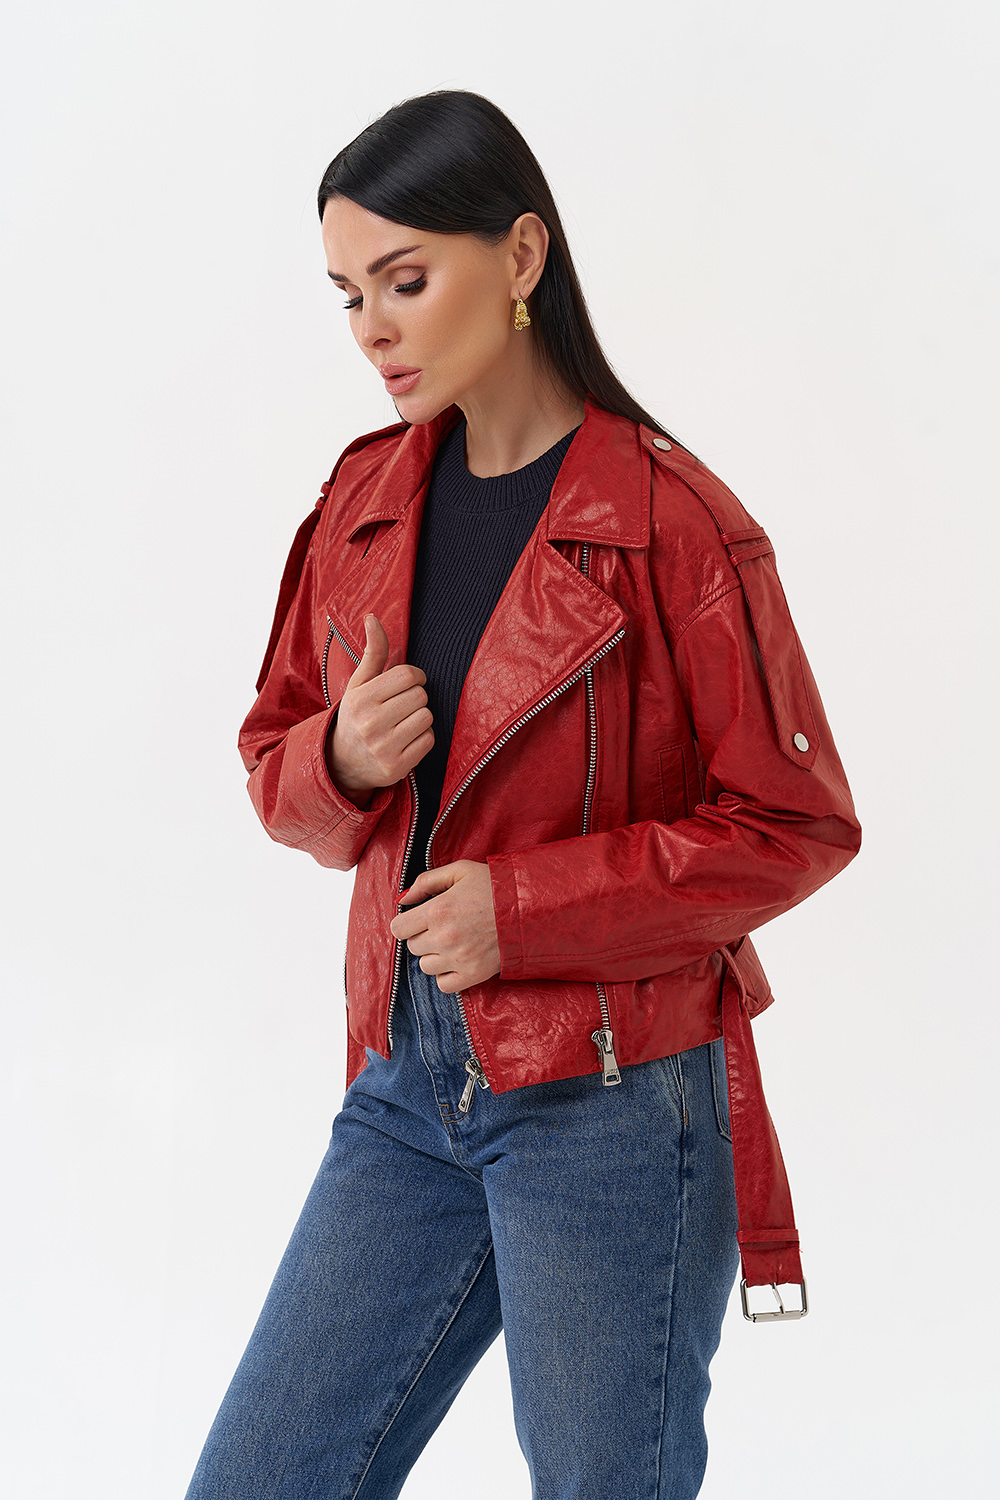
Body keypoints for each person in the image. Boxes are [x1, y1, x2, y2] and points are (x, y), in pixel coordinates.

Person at [184, 89, 862, 1500]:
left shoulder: (674, 525)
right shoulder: (364, 502)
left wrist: (529, 910)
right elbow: (272, 767)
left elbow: (796, 824)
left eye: (405, 280)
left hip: (613, 1101)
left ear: (522, 256)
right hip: (404, 1083)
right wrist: (339, 761)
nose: (371, 328)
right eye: (348, 294)